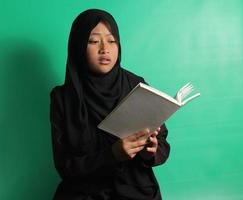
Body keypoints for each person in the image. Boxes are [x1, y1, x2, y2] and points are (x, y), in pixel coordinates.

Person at [50, 9, 170, 200]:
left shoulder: (135, 85)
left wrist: (151, 151)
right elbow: (65, 165)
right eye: (93, 41)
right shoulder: (63, 98)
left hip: (136, 190)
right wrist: (111, 155)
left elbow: (162, 143)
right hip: (84, 194)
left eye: (112, 40)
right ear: (78, 46)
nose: (104, 48)